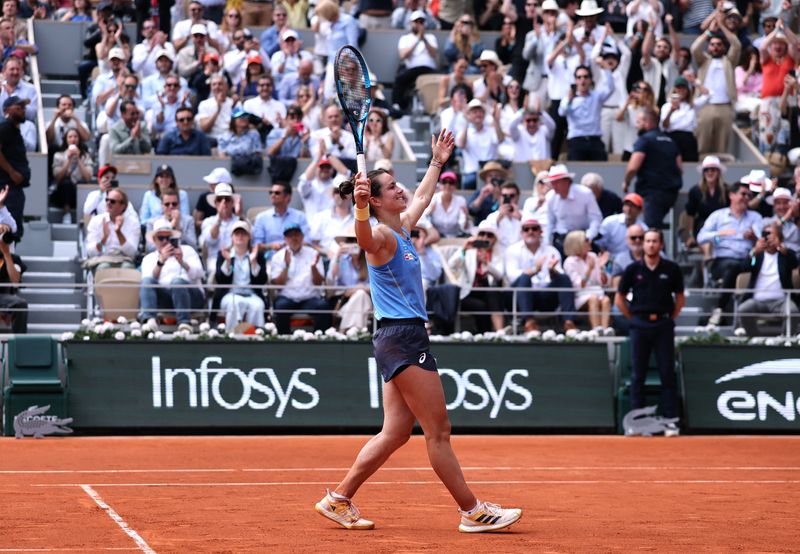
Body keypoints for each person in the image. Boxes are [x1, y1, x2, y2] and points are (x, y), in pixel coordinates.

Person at [316, 129, 521, 533]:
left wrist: (437, 162)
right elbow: (363, 239)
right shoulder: (379, 235)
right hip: (403, 339)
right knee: (439, 431)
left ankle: (338, 499)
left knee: (394, 433)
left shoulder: (404, 228)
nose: (401, 190)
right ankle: (472, 511)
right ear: (375, 199)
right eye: (392, 187)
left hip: (400, 338)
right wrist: (359, 208)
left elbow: (425, 196)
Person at [615, 228, 684, 436]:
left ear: (661, 244)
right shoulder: (632, 269)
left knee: (667, 374)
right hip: (639, 325)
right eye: (647, 241)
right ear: (643, 245)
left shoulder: (672, 269)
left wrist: (669, 318)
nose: (651, 244)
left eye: (655, 241)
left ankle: (670, 421)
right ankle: (637, 423)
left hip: (663, 325)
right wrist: (634, 318)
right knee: (638, 375)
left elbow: (680, 299)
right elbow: (619, 299)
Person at [697, 182, 764, 325]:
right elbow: (701, 237)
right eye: (743, 194)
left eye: (749, 195)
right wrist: (719, 234)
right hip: (722, 260)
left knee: (758, 264)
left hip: (748, 259)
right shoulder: (718, 216)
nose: (746, 198)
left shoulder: (755, 217)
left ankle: (725, 309)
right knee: (733, 266)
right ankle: (724, 309)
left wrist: (754, 238)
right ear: (732, 195)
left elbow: (761, 241)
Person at [505, 217, 577, 333]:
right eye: (526, 229)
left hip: (544, 296)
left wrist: (552, 271)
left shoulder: (551, 251)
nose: (530, 232)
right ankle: (528, 322)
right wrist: (535, 269)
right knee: (524, 278)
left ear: (540, 231)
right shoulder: (512, 250)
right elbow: (512, 276)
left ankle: (569, 322)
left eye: (534, 228)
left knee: (563, 278)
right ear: (521, 233)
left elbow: (559, 275)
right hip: (520, 296)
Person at [140, 217, 205, 334]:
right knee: (146, 281)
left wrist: (182, 262)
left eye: (168, 238)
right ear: (154, 240)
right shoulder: (149, 258)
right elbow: (148, 283)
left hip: (191, 298)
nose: (165, 241)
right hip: (166, 300)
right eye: (161, 238)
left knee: (178, 283)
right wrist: (161, 262)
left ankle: (184, 323)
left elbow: (199, 273)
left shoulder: (188, 251)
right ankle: (150, 321)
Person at [735, 221, 799, 335]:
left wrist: (781, 248)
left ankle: (786, 339)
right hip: (757, 301)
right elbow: (745, 267)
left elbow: (794, 263)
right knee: (743, 309)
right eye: (766, 235)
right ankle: (755, 337)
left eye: (772, 235)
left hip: (781, 301)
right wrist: (754, 251)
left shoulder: (785, 254)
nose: (768, 238)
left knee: (793, 311)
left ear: (779, 237)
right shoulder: (757, 255)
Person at [622, 108, 682, 229]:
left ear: (647, 123)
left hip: (652, 193)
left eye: (638, 122)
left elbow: (633, 167)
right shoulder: (670, 141)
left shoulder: (644, 140)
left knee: (651, 230)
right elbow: (680, 168)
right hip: (671, 193)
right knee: (655, 227)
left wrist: (626, 182)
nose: (636, 126)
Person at [691, 19, 741, 157]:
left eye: (719, 45)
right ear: (709, 47)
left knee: (721, 147)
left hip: (725, 107)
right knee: (702, 144)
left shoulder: (729, 62)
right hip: (705, 107)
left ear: (723, 47)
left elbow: (736, 45)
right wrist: (708, 32)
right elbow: (695, 48)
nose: (715, 47)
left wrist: (723, 27)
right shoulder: (704, 61)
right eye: (712, 45)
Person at [270, 222, 330, 334]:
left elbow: (318, 283)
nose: (293, 238)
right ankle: (283, 341)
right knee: (280, 307)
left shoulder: (313, 254)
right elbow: (278, 285)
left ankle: (319, 340)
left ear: (302, 236)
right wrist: (286, 266)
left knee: (323, 307)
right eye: (290, 235)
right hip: (288, 297)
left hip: (309, 297)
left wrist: (313, 267)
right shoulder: (278, 257)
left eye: (296, 234)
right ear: (285, 239)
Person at [447, 220, 505, 333]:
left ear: (494, 239)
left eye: (489, 235)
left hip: (488, 292)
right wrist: (464, 249)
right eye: (482, 234)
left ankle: (499, 331)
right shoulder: (469, 251)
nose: (485, 238)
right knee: (480, 306)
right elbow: (452, 265)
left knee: (493, 294)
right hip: (468, 293)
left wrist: (486, 264)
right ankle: (485, 334)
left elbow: (499, 276)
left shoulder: (498, 254)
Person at [214, 220, 268, 333]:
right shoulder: (223, 254)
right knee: (235, 303)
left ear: (249, 237)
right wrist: (228, 261)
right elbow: (220, 280)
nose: (240, 236)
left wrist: (253, 262)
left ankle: (254, 337)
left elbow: (262, 280)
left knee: (258, 306)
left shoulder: (258, 255)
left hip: (252, 294)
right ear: (232, 237)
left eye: (243, 234)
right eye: (237, 234)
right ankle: (232, 337)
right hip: (230, 294)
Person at [559, 64, 614, 161]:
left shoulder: (597, 96)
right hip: (576, 140)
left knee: (601, 170)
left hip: (594, 140)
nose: (582, 80)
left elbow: (610, 88)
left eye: (585, 77)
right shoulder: (568, 98)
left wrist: (606, 69)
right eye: (579, 77)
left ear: (590, 80)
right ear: (575, 80)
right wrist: (569, 101)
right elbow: (562, 112)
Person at [544, 164, 602, 255]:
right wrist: (547, 242)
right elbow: (550, 222)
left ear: (567, 181)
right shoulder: (550, 197)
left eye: (557, 182)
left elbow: (595, 218)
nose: (554, 185)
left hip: (582, 236)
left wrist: (588, 237)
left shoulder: (585, 193)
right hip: (561, 239)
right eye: (552, 182)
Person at [563, 230, 613, 335]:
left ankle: (605, 330)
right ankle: (596, 330)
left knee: (606, 300)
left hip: (597, 291)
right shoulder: (569, 262)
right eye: (586, 240)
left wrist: (601, 268)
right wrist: (589, 269)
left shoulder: (593, 256)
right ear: (577, 243)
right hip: (580, 295)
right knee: (593, 298)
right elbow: (579, 286)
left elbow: (604, 283)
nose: (589, 241)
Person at [326, 226, 371, 331]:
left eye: (356, 241)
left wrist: (361, 288)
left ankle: (344, 331)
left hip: (366, 300)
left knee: (360, 295)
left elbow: (378, 285)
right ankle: (356, 332)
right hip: (344, 301)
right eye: (350, 241)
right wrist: (337, 257)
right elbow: (330, 282)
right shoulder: (340, 259)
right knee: (361, 298)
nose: (354, 244)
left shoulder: (370, 260)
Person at [84, 188, 141, 271]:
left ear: (123, 206)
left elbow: (132, 253)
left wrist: (118, 232)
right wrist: (104, 239)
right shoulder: (96, 220)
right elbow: (90, 252)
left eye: (113, 201)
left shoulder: (133, 222)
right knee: (104, 268)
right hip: (102, 259)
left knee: (127, 268)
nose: (108, 203)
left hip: (124, 259)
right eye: (107, 200)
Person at [253, 181, 309, 260]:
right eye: (271, 192)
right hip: (269, 260)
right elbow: (256, 244)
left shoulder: (300, 217)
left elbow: (307, 241)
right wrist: (270, 246)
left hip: (296, 258)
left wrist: (290, 244)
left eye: (277, 193)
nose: (273, 195)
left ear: (287, 197)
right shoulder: (261, 218)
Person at [685, 155, 729, 254]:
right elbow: (690, 215)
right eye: (706, 170)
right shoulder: (695, 191)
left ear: (718, 172)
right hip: (703, 228)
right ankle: (708, 265)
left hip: (722, 228)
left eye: (713, 169)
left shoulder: (726, 190)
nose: (709, 172)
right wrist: (690, 235)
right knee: (707, 245)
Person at [0, 96, 29, 238]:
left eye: (24, 107)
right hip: (6, 187)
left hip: (13, 187)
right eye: (18, 107)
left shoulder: (14, 130)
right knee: (8, 229)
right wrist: (12, 172)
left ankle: (9, 258)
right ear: (6, 110)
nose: (23, 110)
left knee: (14, 227)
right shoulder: (5, 127)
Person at [51, 128, 94, 224]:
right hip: (63, 192)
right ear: (66, 139)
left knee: (83, 184)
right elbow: (57, 177)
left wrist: (78, 159)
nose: (73, 139)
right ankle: (67, 214)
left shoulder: (85, 156)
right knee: (66, 183)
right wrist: (68, 160)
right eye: (70, 137)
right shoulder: (58, 155)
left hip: (79, 191)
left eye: (75, 136)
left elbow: (88, 178)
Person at [200, 182, 242, 272]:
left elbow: (250, 238)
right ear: (215, 203)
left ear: (232, 202)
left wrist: (240, 215)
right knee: (217, 269)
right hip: (215, 260)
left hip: (239, 259)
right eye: (219, 199)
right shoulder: (208, 221)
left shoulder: (240, 220)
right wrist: (219, 218)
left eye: (227, 199)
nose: (224, 202)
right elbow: (210, 240)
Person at [0, 188, 25, 332]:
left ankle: (20, 342)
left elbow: (15, 282)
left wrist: (6, 254)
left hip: (2, 297)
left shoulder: (13, 258)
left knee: (20, 304)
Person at [145, 188, 197, 252]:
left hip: (183, 255)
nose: (171, 206)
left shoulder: (188, 220)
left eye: (174, 204)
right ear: (162, 205)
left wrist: (178, 229)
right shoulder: (151, 222)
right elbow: (149, 248)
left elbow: (193, 247)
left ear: (179, 204)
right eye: (167, 204)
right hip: (159, 257)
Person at [596, 193, 647, 258]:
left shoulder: (644, 228)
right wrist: (606, 258)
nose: (629, 209)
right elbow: (599, 244)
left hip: (633, 263)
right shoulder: (609, 222)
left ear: (640, 210)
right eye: (626, 205)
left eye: (633, 206)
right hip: (610, 262)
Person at [425, 171, 468, 237]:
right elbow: (424, 220)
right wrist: (429, 212)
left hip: (456, 237)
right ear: (440, 185)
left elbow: (463, 226)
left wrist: (466, 216)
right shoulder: (433, 199)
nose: (447, 185)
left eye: (451, 183)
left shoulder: (461, 201)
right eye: (444, 182)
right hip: (435, 237)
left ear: (455, 186)